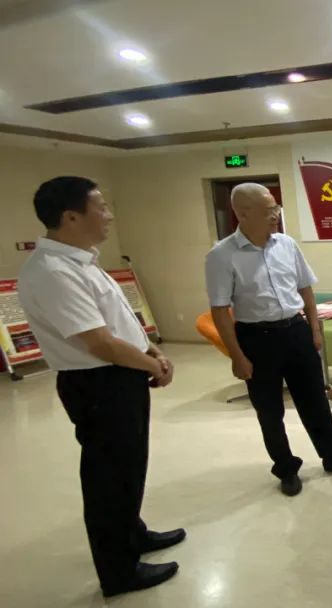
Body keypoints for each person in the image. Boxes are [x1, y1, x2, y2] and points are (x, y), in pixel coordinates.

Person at [18, 177, 184, 597]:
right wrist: (152, 364)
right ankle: (119, 571)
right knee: (109, 478)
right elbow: (99, 343)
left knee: (129, 467)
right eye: (101, 207)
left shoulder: (83, 261)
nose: (109, 215)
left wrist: (151, 350)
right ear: (71, 216)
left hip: (120, 375)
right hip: (98, 383)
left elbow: (118, 323)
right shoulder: (53, 272)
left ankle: (133, 534)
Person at [206, 183, 332, 496]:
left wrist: (314, 330)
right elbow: (220, 310)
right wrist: (237, 356)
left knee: (315, 401)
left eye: (276, 208)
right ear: (242, 214)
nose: (275, 215)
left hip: (295, 331)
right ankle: (286, 468)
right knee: (269, 411)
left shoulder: (287, 244)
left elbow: (305, 288)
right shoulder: (221, 256)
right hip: (256, 339)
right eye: (268, 210)